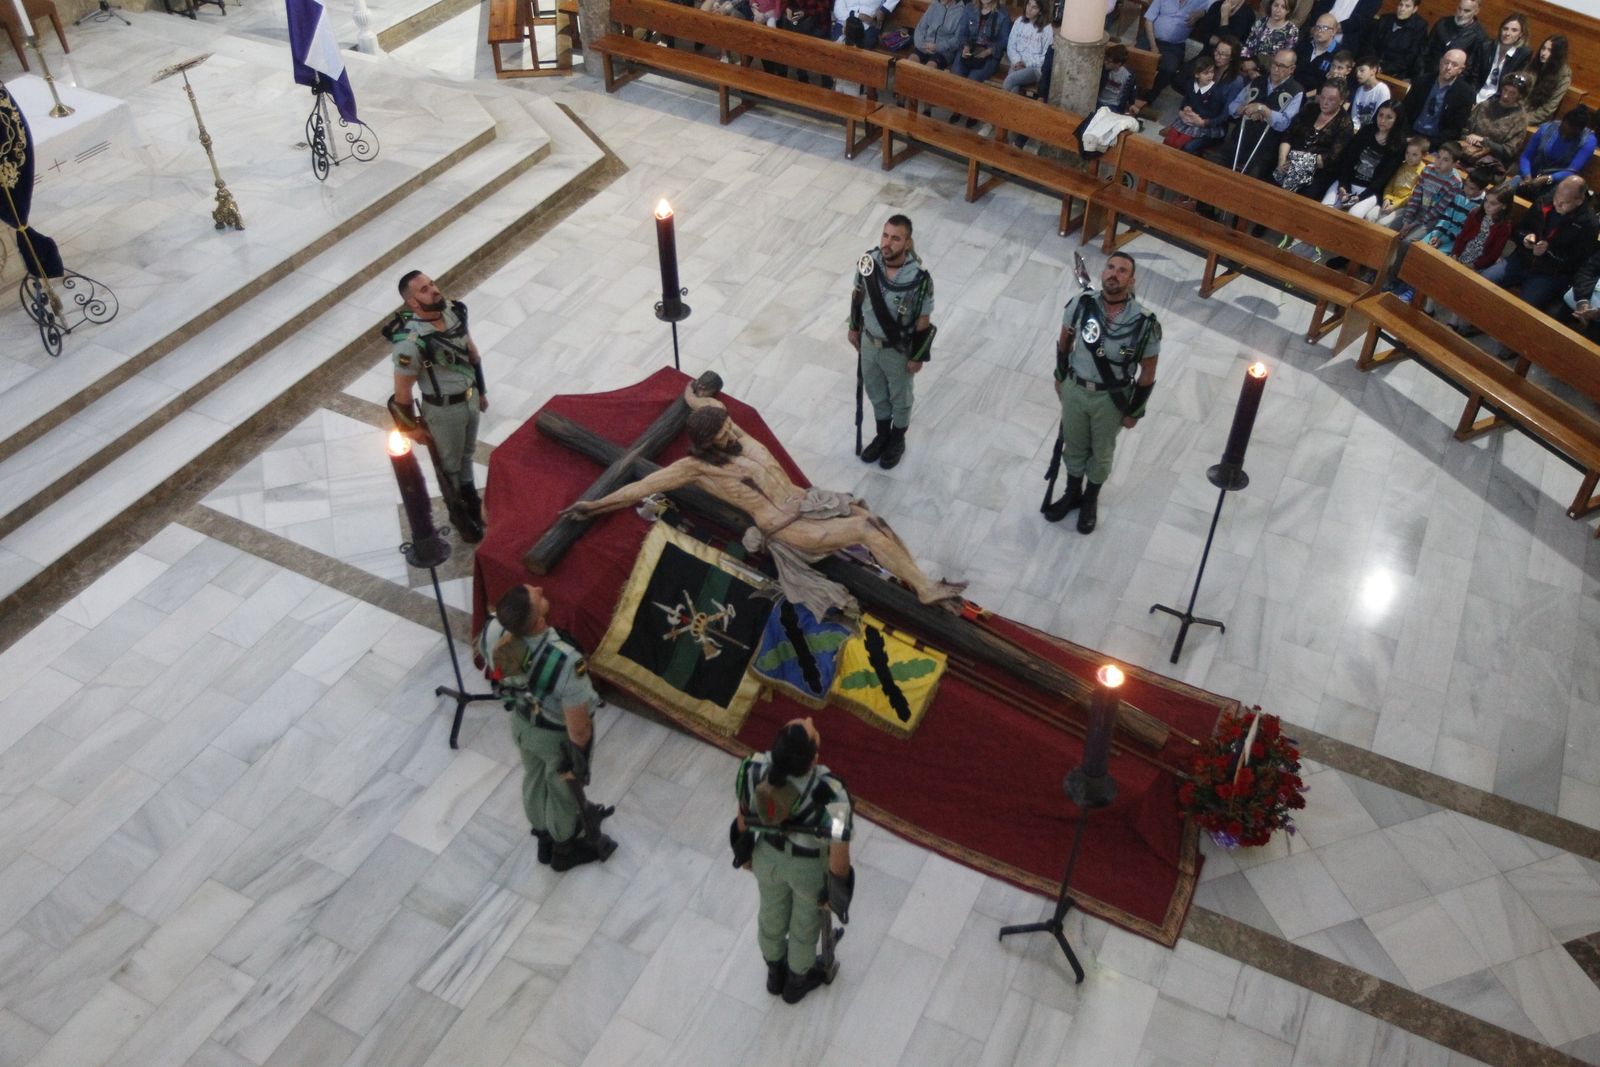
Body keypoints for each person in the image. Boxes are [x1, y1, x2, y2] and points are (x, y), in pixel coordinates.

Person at [560, 381, 968, 608]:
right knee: (866, 529)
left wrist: (691, 397)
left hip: (807, 503)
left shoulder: (729, 428)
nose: (729, 435)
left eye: (727, 429)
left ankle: (921, 581)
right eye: (720, 436)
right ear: (705, 445)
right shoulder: (696, 468)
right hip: (789, 528)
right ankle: (924, 588)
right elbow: (643, 487)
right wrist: (597, 504)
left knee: (874, 520)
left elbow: (707, 402)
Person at [477, 584, 616, 871]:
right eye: (537, 597)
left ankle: (543, 837)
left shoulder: (493, 630)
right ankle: (563, 848)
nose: (540, 589)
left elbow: (482, 658)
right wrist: (578, 763)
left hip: (521, 722)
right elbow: (578, 729)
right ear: (539, 622)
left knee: (534, 777)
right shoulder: (564, 661)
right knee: (563, 790)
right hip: (554, 736)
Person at [731, 718, 853, 1005]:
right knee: (805, 924)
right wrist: (835, 897)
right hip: (808, 868)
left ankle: (774, 973)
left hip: (767, 859)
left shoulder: (752, 768)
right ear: (813, 760)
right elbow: (838, 851)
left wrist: (744, 853)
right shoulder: (833, 794)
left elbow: (743, 816)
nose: (812, 718)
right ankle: (797, 982)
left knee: (770, 913)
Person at [1043, 253, 1161, 534]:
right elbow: (1064, 342)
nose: (1113, 274)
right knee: (1074, 444)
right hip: (1076, 389)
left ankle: (1090, 501)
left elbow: (1147, 371)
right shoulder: (1082, 304)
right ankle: (1072, 494)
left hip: (1111, 397)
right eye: (1110, 267)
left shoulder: (1145, 323)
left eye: (1122, 271)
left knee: (1102, 453)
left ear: (1131, 281)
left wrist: (1134, 411)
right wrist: (1061, 377)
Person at [388, 270, 489, 543]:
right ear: (412, 302)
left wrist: (481, 390)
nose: (434, 290)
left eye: (432, 284)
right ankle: (459, 514)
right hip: (444, 411)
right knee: (449, 467)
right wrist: (409, 429)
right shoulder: (409, 343)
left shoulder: (454, 312)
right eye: (423, 289)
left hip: (468, 398)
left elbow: (472, 354)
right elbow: (402, 391)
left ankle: (471, 501)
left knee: (467, 455)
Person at [847, 215, 932, 469]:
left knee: (900, 397)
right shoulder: (868, 263)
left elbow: (923, 320)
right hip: (869, 343)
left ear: (907, 242)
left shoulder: (918, 279)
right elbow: (857, 296)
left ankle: (897, 439)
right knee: (875, 391)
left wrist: (917, 356)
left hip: (897, 349)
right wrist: (853, 328)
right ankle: (882, 434)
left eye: (896, 238)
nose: (888, 243)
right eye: (885, 236)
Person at [1482, 175, 1598, 313]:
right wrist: (1525, 237)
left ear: (1579, 201)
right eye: (1556, 198)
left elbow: (1577, 262)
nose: (1557, 204)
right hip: (1522, 259)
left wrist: (1549, 251)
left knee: (1524, 309)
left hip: (1550, 274)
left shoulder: (1588, 224)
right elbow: (1520, 228)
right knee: (1484, 280)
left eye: (1564, 203)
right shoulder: (1544, 201)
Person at [1223, 48, 1303, 179]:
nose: (1276, 69)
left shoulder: (1296, 91)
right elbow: (1233, 106)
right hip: (1242, 136)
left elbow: (1285, 123)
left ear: (1292, 69)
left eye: (1282, 66)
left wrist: (1263, 110)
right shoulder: (1258, 81)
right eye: (1274, 63)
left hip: (1266, 146)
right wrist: (1246, 109)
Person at [1275, 79, 1354, 198]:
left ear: (1341, 101)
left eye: (1331, 99)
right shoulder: (1310, 109)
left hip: (1318, 173)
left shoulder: (1345, 123)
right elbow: (1288, 135)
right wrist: (1282, 159)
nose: (1325, 102)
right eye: (1323, 97)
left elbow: (1332, 158)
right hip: (1289, 162)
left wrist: (1299, 162)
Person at [1324, 99, 1405, 208]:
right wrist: (1343, 186)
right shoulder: (1366, 131)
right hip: (1347, 181)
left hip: (1369, 190)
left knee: (1354, 215)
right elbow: (1347, 159)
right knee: (1326, 207)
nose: (1382, 120)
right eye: (1380, 115)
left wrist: (1359, 197)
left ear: (1397, 120)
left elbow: (1383, 178)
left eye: (1389, 117)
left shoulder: (1398, 145)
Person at [1140, 0, 1213, 102]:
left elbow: (1215, 5)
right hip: (1150, 38)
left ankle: (1147, 99)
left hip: (1174, 46)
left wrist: (1201, 13)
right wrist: (1153, 46)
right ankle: (1132, 93)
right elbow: (1148, 20)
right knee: (1138, 58)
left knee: (1169, 69)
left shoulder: (1200, 2)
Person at [1401, 47, 1474, 148]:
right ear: (1440, 62)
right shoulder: (1422, 81)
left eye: (1454, 65)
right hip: (1410, 134)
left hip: (1436, 143)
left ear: (1461, 69)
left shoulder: (1465, 93)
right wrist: (1406, 136)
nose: (1448, 67)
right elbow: (1405, 110)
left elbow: (1455, 129)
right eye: (1446, 62)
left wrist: (1430, 144)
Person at [1350, 133, 1427, 225]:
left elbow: (1413, 195)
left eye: (1414, 155)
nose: (1409, 157)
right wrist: (1387, 198)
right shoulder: (1402, 165)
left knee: (1382, 223)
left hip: (1404, 206)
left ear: (1424, 155)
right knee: (1370, 216)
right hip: (1389, 201)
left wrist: (1394, 205)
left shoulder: (1423, 172)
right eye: (1407, 153)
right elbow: (1390, 184)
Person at [1519, 106, 1596, 197]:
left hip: (1558, 183)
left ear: (1580, 131)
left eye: (1570, 136)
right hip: (1532, 175)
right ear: (1562, 122)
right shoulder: (1546, 128)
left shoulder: (1588, 141)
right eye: (1562, 131)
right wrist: (1527, 175)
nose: (1564, 136)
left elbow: (1571, 170)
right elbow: (1526, 156)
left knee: (1547, 198)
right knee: (1513, 184)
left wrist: (1548, 179)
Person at [1456, 72, 1529, 168]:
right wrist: (1468, 138)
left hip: (1491, 161)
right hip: (1468, 150)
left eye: (1512, 93)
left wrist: (1484, 141)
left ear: (1519, 95)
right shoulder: (1485, 105)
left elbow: (1508, 151)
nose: (1506, 96)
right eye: (1505, 90)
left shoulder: (1520, 118)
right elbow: (1465, 128)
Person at [1393, 140, 1462, 240]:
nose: (1439, 162)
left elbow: (1438, 209)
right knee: (1385, 226)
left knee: (1407, 241)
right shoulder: (1428, 170)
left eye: (1445, 160)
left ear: (1455, 164)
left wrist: (1413, 225)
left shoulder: (1455, 182)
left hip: (1432, 219)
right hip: (1415, 210)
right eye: (1438, 157)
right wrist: (1407, 221)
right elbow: (1415, 197)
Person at [1164, 55, 1231, 153]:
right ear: (1197, 74)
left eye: (1211, 72)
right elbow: (1186, 101)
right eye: (1205, 73)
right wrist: (1184, 110)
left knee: (1180, 144)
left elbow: (1219, 114)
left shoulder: (1216, 92)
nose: (1210, 75)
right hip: (1189, 120)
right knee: (1169, 140)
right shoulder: (1191, 84)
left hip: (1204, 125)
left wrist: (1200, 120)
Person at [1418, 0, 1486, 83]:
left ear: (1476, 11)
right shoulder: (1442, 24)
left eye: (1466, 11)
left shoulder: (1478, 37)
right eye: (1459, 9)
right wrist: (1420, 76)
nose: (1461, 14)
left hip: (1452, 83)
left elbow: (1471, 69)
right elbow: (1425, 51)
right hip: (1427, 75)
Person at [951, 0, 1010, 94]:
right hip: (969, 49)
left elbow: (1004, 41)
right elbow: (962, 34)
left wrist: (988, 51)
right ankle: (956, 106)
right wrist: (965, 46)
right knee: (956, 74)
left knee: (973, 79)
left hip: (989, 55)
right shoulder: (970, 8)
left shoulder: (1003, 13)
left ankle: (964, 107)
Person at [1473, 13, 1530, 101]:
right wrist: (1471, 98)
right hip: (1476, 94)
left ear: (1521, 34)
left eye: (1514, 30)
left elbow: (1512, 85)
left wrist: (1487, 104)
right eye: (1505, 29)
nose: (1507, 33)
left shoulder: (1523, 55)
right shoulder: (1486, 47)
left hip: (1498, 100)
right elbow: (1474, 76)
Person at [1298, 0, 1380, 60]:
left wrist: (1329, 29)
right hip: (1318, 32)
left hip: (1343, 42)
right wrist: (1320, 27)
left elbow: (1360, 20)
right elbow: (1320, 8)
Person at [1004, 0, 1052, 95]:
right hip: (1016, 64)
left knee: (1010, 80)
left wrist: (1026, 63)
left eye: (1034, 7)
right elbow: (1011, 45)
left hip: (1034, 69)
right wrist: (1017, 61)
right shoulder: (1020, 21)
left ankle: (998, 107)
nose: (1029, 9)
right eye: (1029, 4)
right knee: (1014, 88)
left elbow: (1045, 56)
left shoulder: (1047, 28)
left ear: (1041, 11)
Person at [1522, 35, 1571, 127]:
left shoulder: (1563, 76)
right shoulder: (1534, 64)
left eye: (1549, 51)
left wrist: (1523, 119)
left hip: (1535, 120)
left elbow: (1548, 108)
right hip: (1517, 111)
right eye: (1543, 48)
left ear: (1557, 54)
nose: (1543, 53)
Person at [1372, 0, 1427, 78]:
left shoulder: (1419, 27)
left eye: (1407, 6)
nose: (1402, 9)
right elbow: (1370, 44)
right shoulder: (1385, 19)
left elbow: (1411, 57)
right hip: (1372, 66)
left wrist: (1385, 69)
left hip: (1396, 74)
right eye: (1401, 5)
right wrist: (1372, 64)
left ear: (1415, 9)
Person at [907, 0, 965, 70]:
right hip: (925, 45)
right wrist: (922, 44)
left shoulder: (961, 11)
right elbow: (920, 28)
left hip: (944, 52)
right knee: (910, 63)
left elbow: (957, 40)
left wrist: (937, 47)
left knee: (930, 68)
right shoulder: (934, 5)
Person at [1190, 0, 1254, 60]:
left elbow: (1231, 45)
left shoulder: (1248, 14)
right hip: (1206, 56)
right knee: (1187, 69)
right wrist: (1220, 41)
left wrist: (1224, 18)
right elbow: (1202, 33)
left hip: (1228, 61)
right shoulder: (1217, 5)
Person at [1295, 13, 1343, 92]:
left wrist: (1305, 96)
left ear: (1333, 31)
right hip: (1293, 90)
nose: (1319, 31)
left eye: (1324, 28)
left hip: (1316, 97)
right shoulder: (1304, 45)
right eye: (1317, 27)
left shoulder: (1338, 54)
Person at [1562, 244, 1600, 340]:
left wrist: (1598, 313)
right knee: (1552, 324)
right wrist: (1583, 301)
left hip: (1597, 314)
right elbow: (1586, 271)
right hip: (1584, 297)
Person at [1348, 55, 1391, 129]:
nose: (1358, 74)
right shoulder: (1359, 90)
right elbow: (1354, 117)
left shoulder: (1382, 90)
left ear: (1373, 70)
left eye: (1362, 70)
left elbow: (1380, 116)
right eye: (1356, 71)